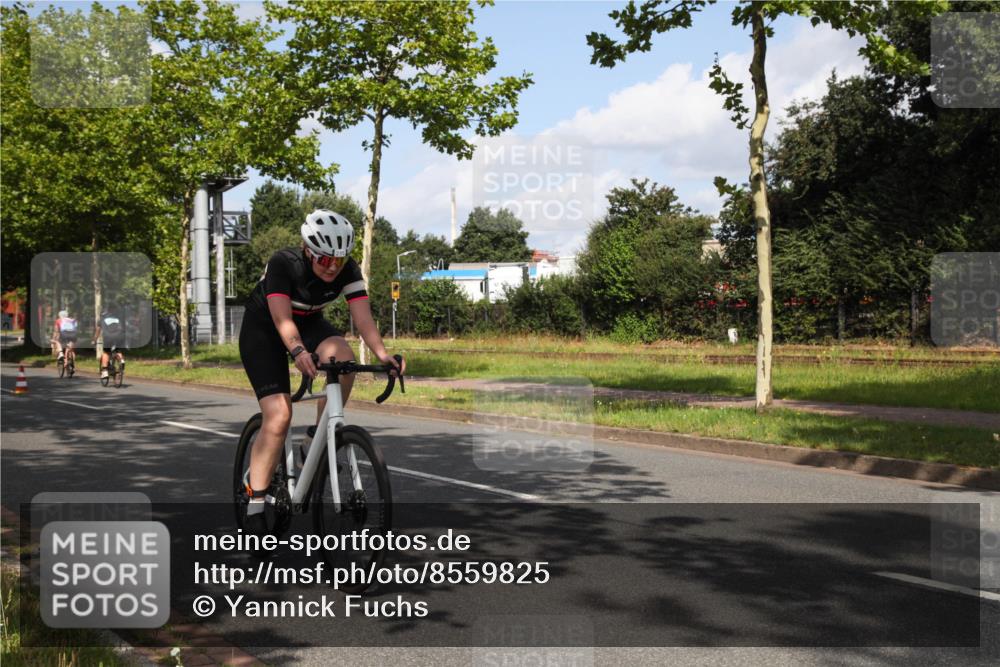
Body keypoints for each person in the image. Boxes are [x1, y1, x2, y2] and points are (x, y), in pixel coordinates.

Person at [239, 209, 404, 536]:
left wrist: (383, 355)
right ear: (308, 250)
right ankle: (255, 500)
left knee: (342, 358)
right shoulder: (284, 263)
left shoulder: (348, 269)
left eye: (339, 261)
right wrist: (298, 350)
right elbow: (282, 320)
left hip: (309, 322)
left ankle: (314, 438)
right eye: (325, 259)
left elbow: (364, 319)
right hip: (265, 329)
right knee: (279, 415)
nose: (332, 267)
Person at [94, 306, 125, 380]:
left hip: (108, 337)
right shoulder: (118, 317)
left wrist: (94, 340)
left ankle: (104, 371)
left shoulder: (102, 318)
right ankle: (121, 360)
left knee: (106, 352)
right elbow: (122, 328)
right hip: (119, 336)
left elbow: (98, 330)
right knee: (117, 350)